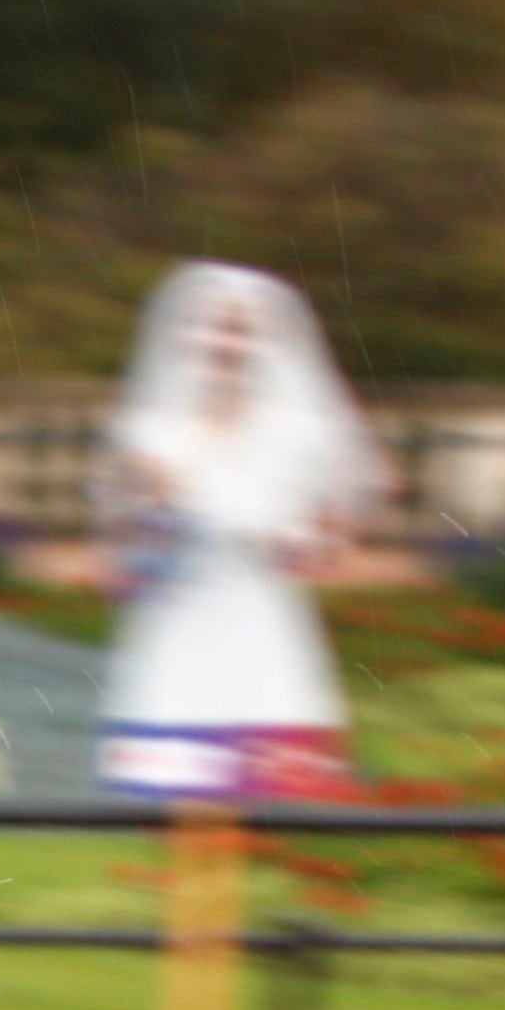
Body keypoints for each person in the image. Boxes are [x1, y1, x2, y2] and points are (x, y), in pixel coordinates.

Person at [94, 261, 391, 799]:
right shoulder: (151, 432)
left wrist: (190, 494)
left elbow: (317, 534)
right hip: (177, 623)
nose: (221, 343)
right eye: (209, 326)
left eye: (239, 330)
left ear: (269, 343)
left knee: (263, 785)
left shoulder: (298, 433)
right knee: (173, 785)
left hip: (258, 617)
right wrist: (147, 518)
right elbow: (127, 542)